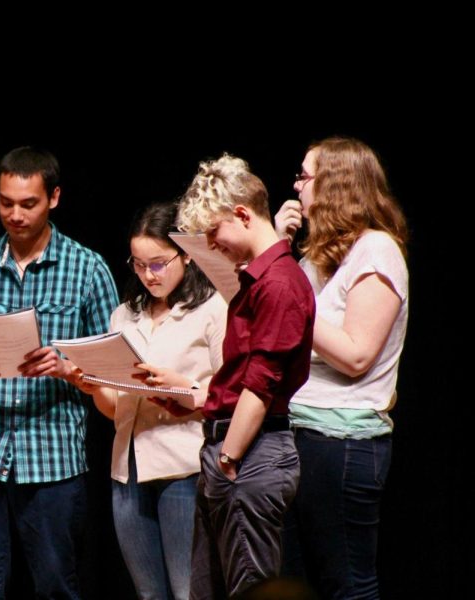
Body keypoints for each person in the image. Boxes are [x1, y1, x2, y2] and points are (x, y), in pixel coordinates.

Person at [0, 146, 118, 599]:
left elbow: (112, 371)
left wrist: (66, 369)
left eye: (28, 203)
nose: (15, 215)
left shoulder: (88, 269)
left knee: (56, 585)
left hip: (52, 449)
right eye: (5, 202)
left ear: (53, 198)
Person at [176, 153, 315, 599]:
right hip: (234, 452)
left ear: (241, 214)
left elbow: (261, 383)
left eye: (214, 233)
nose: (213, 245)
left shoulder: (278, 283)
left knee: (250, 590)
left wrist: (229, 459)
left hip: (250, 454)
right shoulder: (262, 278)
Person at [276, 137, 408, 600]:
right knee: (293, 580)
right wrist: (278, 254)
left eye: (304, 175)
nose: (296, 186)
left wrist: (283, 292)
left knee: (346, 583)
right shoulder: (317, 256)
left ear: (335, 184)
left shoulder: (377, 250)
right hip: (300, 433)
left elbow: (355, 354)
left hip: (345, 443)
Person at [84, 202, 226, 599]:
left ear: (185, 255)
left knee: (187, 592)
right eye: (139, 264)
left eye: (159, 263)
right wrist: (93, 384)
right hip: (127, 469)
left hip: (183, 466)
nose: (149, 275)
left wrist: (182, 387)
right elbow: (114, 408)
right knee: (149, 594)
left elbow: (231, 389)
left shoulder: (212, 308)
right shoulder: (124, 316)